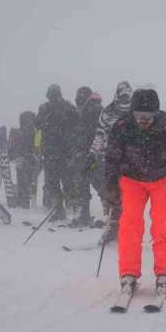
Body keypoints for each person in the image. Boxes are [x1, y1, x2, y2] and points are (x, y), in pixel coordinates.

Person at [105, 88, 166, 294]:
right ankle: (128, 273)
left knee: (163, 225)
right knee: (129, 225)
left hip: (164, 177)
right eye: (139, 116)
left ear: (157, 113)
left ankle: (164, 274)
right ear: (132, 113)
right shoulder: (122, 127)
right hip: (131, 178)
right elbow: (111, 159)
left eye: (148, 116)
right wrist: (111, 187)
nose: (143, 120)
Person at [87, 81, 133, 243]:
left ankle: (126, 229)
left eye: (127, 96)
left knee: (128, 197)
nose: (124, 99)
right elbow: (100, 135)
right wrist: (92, 153)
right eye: (122, 96)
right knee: (112, 194)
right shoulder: (108, 111)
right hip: (110, 159)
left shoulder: (135, 112)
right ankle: (114, 227)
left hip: (131, 161)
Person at [36, 84, 78, 221]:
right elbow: (38, 127)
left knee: (64, 181)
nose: (53, 99)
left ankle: (68, 208)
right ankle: (61, 208)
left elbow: (38, 128)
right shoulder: (47, 108)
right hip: (54, 152)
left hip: (61, 152)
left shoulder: (65, 108)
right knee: (55, 182)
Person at [68, 87, 104, 227]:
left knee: (96, 182)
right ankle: (86, 214)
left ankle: (111, 214)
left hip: (93, 154)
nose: (78, 102)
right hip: (88, 153)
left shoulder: (93, 109)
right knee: (86, 181)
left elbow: (91, 132)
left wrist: (81, 147)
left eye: (79, 99)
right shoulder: (90, 109)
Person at [9, 111, 42, 209]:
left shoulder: (34, 133)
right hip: (27, 159)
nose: (30, 123)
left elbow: (37, 147)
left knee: (25, 178)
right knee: (26, 178)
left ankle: (23, 198)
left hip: (29, 159)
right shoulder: (22, 132)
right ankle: (24, 198)